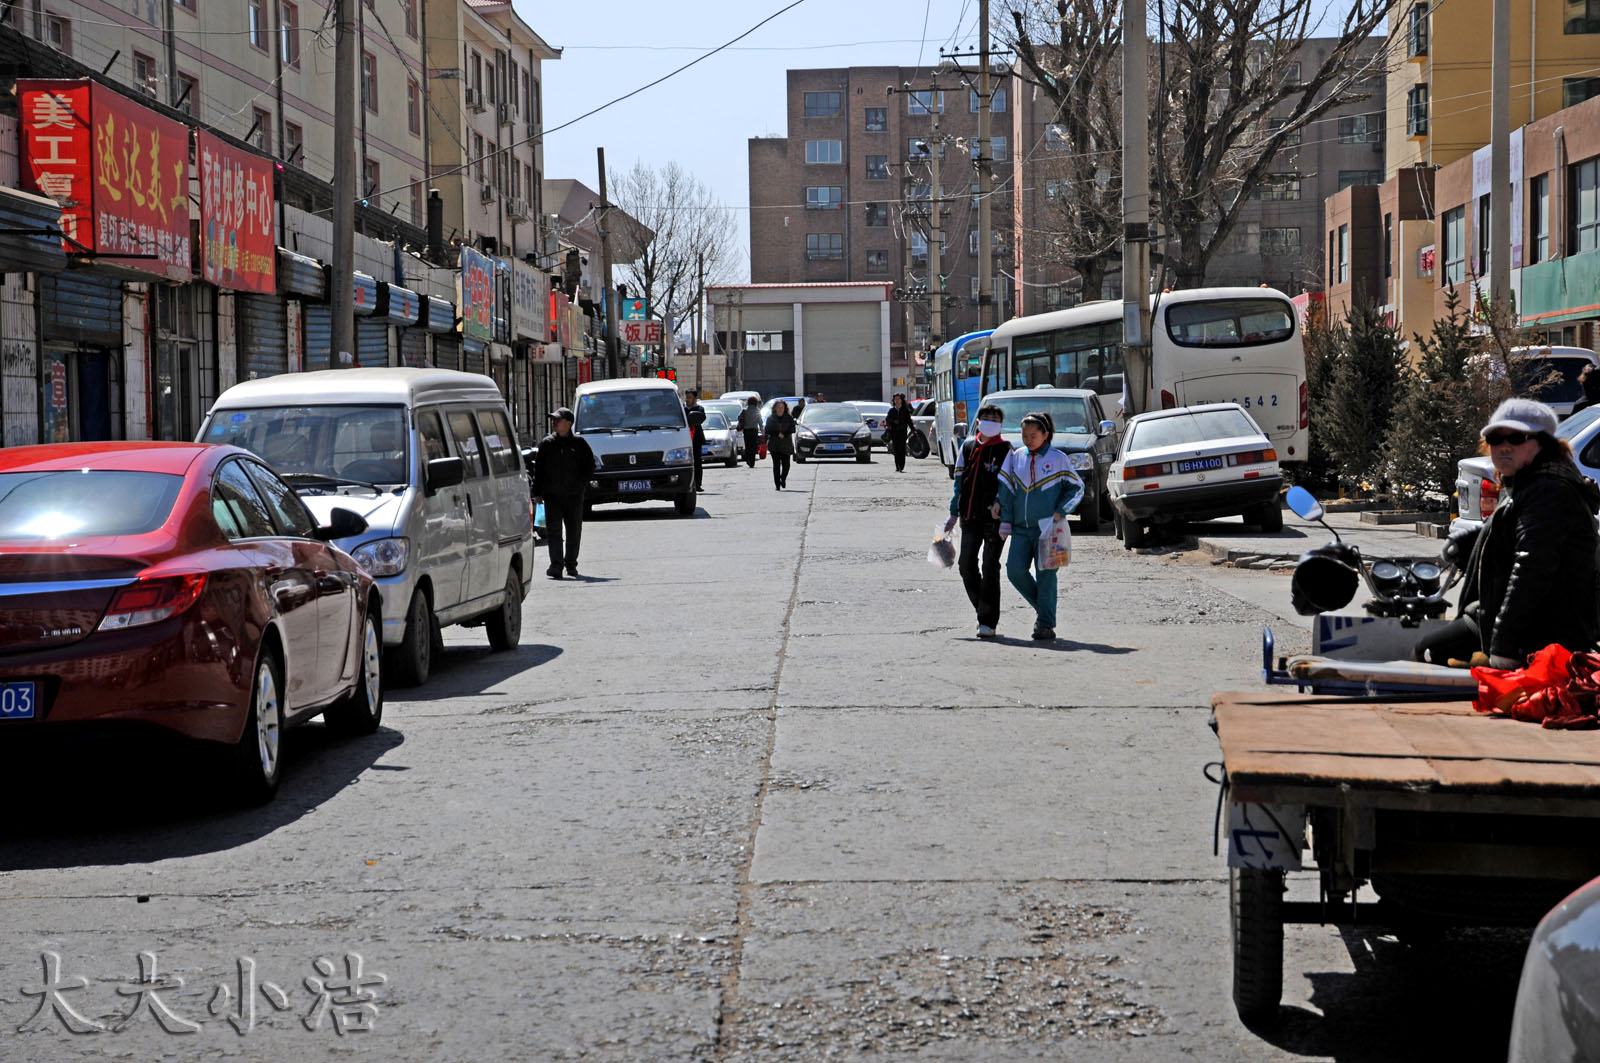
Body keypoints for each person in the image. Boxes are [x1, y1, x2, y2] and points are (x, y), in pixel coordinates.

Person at [1415, 398, 1600, 668]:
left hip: (1541, 634)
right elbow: (1522, 529)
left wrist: (1504, 646)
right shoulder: (1534, 482)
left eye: (1516, 437)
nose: (1504, 446)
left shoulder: (1548, 491)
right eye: (1495, 438)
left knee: (1426, 653)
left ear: (1542, 444)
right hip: (1527, 624)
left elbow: (1532, 570)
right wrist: (1475, 541)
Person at [997, 412, 1084, 641]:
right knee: (1014, 570)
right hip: (1020, 529)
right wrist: (1005, 516)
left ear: (1045, 435)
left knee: (1046, 575)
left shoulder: (1058, 459)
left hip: (1049, 528)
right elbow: (1006, 489)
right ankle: (1045, 609)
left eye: (1033, 435)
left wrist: (1061, 510)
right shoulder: (1016, 456)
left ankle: (1044, 624)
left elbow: (1076, 488)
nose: (1028, 439)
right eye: (1024, 435)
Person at [945, 404, 1014, 638]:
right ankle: (983, 608)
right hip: (969, 516)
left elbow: (1007, 483)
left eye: (996, 418)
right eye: (987, 418)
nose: (991, 421)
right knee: (966, 565)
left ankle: (987, 621)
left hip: (994, 519)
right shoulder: (967, 447)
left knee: (990, 566)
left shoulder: (1006, 450)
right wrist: (953, 513)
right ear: (978, 422)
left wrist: (999, 503)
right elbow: (958, 482)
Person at [532, 407, 596, 580]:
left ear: (568, 423)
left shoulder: (579, 444)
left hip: (574, 496)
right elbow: (539, 471)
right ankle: (556, 565)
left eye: (557, 419)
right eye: (553, 419)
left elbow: (590, 466)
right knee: (554, 531)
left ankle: (571, 564)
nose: (554, 422)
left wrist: (581, 484)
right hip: (551, 497)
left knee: (574, 531)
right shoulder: (547, 444)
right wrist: (537, 493)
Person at [765, 399, 796, 490]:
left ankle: (783, 478)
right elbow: (767, 430)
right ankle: (777, 484)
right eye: (778, 407)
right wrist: (776, 433)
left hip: (786, 444)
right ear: (775, 408)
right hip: (774, 445)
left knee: (786, 465)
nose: (780, 409)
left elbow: (792, 429)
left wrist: (785, 434)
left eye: (782, 407)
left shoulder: (789, 418)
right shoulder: (770, 418)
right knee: (776, 465)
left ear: (785, 408)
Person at [884, 393, 914, 473]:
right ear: (893, 400)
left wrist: (913, 430)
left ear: (901, 400)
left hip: (903, 432)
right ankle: (897, 465)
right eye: (895, 399)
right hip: (894, 432)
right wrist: (893, 421)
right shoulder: (892, 410)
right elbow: (887, 420)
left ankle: (901, 465)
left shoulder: (905, 410)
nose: (897, 400)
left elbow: (909, 421)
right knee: (896, 449)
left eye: (898, 399)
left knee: (902, 448)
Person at [684, 390, 707, 492]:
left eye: (690, 397)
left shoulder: (699, 409)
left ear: (694, 398)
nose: (687, 399)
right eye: (687, 397)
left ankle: (698, 484)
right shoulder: (683, 409)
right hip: (685, 437)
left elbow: (701, 418)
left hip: (696, 438)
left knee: (697, 461)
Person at [737, 396, 763, 468]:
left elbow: (739, 417)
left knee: (748, 445)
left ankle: (748, 459)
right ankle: (752, 460)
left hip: (746, 430)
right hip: (754, 430)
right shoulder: (757, 410)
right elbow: (760, 421)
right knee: (753, 445)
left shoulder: (744, 410)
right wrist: (762, 430)